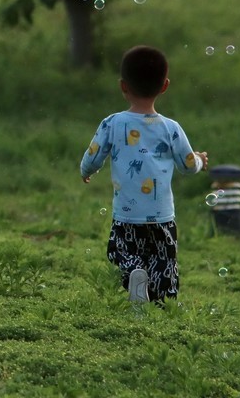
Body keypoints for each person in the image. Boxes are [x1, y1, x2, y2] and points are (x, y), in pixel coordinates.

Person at [81, 45, 208, 304]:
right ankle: (162, 301)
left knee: (120, 252)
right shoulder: (171, 128)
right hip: (162, 215)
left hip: (127, 215)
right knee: (164, 261)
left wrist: (87, 170)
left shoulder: (113, 122)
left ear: (123, 86)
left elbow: (93, 155)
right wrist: (199, 160)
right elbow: (187, 165)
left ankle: (134, 274)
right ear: (165, 86)